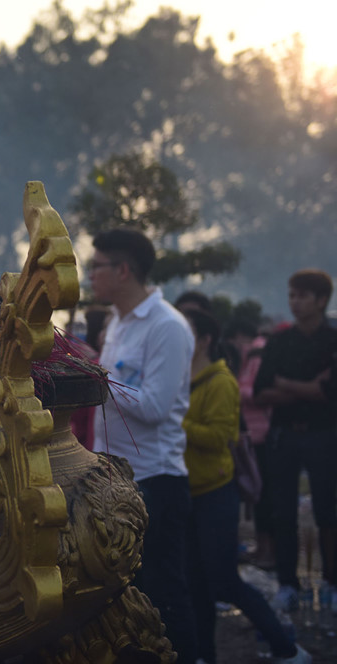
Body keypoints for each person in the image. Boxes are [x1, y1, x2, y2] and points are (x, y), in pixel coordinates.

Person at [88, 229, 197, 662]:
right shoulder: (117, 321)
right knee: (126, 594)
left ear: (123, 270)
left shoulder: (167, 326)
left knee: (163, 594)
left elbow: (153, 406)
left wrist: (98, 377)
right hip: (114, 477)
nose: (89, 275)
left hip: (155, 479)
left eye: (96, 266)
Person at [181, 309, 309, 664]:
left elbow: (221, 436)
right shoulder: (176, 377)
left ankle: (286, 646)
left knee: (223, 581)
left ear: (205, 340)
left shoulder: (221, 381)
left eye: (186, 331)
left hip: (215, 493)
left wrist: (174, 422)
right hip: (185, 490)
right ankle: (204, 655)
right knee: (196, 586)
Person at [255, 268, 337, 612]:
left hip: (325, 434)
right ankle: (288, 583)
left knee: (328, 512)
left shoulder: (333, 340)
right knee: (282, 511)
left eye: (302, 295)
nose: (295, 302)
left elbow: (331, 394)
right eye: (291, 295)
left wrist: (286, 385)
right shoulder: (279, 341)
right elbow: (261, 392)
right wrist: (309, 389)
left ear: (321, 300)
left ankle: (332, 582)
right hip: (284, 435)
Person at [227, 318, 275, 568]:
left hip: (261, 432)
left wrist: (232, 388)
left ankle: (268, 551)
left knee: (263, 495)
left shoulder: (257, 354)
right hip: (250, 432)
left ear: (239, 336)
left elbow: (257, 390)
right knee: (258, 496)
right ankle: (262, 547)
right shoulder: (249, 354)